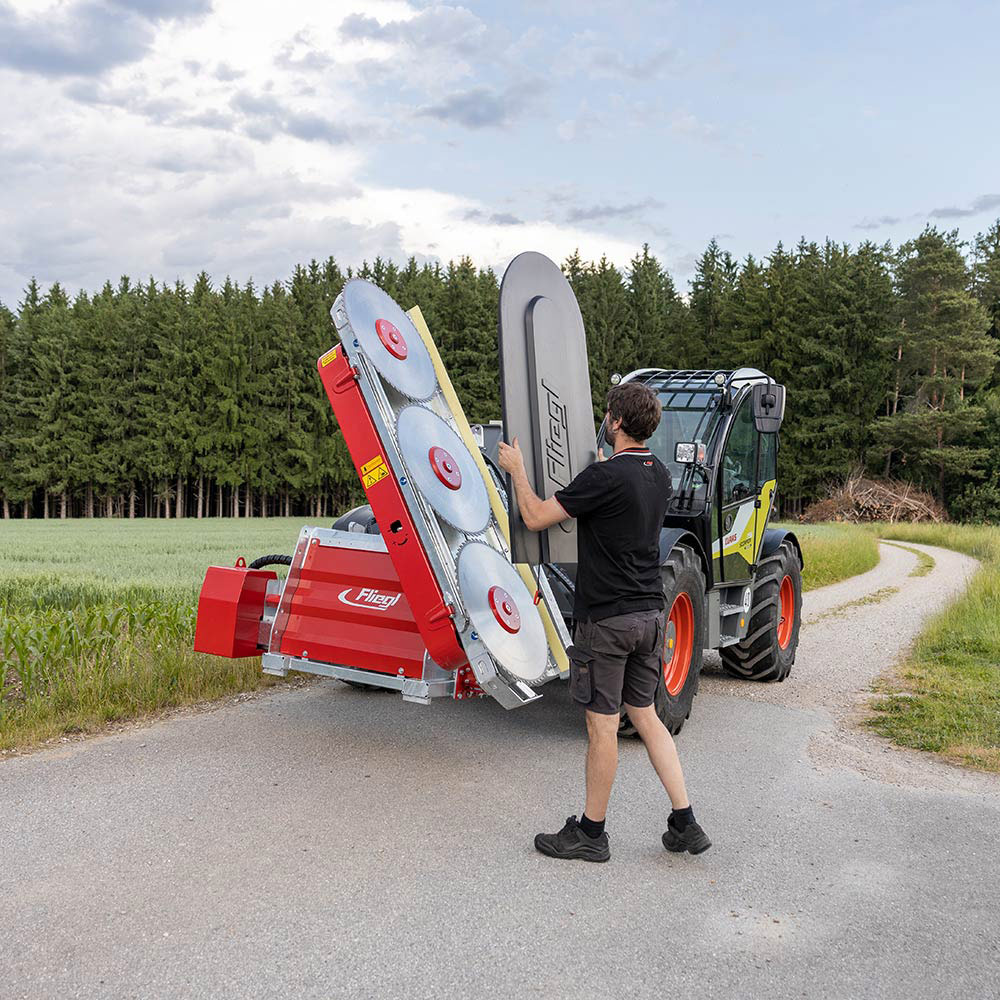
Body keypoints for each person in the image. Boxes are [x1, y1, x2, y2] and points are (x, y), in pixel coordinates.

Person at [497, 381, 710, 863]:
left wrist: (518, 470)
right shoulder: (660, 475)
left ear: (615, 420)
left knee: (602, 727)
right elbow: (621, 496)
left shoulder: (604, 477)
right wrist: (601, 466)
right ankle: (685, 821)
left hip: (609, 621)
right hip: (650, 616)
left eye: (608, 413)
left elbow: (535, 516)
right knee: (646, 715)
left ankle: (591, 834)